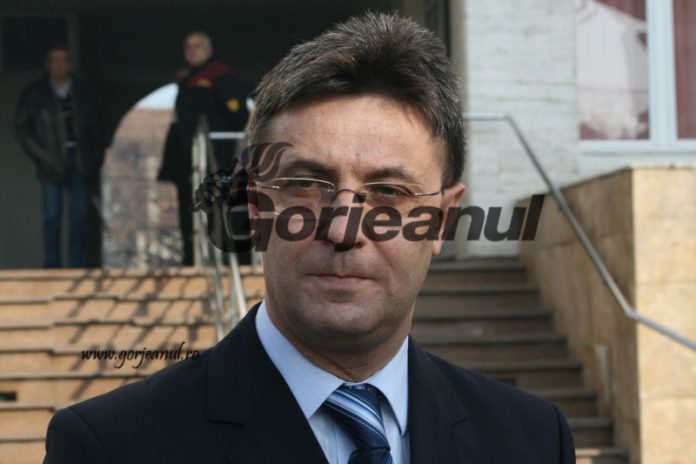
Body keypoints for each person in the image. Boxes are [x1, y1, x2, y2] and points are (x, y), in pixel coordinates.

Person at [43, 13, 575, 463]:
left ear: (441, 221)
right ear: (256, 207)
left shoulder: (533, 442)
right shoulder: (110, 447)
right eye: (307, 186)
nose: (343, 229)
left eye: (388, 192)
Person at [157, 31, 252, 266]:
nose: (192, 51)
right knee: (190, 207)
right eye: (188, 47)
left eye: (197, 46)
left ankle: (228, 259)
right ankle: (191, 259)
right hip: (187, 158)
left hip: (214, 155)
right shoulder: (187, 79)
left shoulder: (220, 75)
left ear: (209, 50)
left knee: (216, 205)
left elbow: (238, 114)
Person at [14, 46, 104, 268]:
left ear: (70, 64)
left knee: (79, 217)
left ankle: (75, 265)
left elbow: (96, 128)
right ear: (47, 65)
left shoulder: (83, 93)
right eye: (54, 60)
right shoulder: (35, 93)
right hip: (50, 162)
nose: (59, 65)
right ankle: (52, 266)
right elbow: (22, 129)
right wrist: (42, 157)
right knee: (52, 217)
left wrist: (95, 158)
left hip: (80, 161)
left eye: (63, 60)